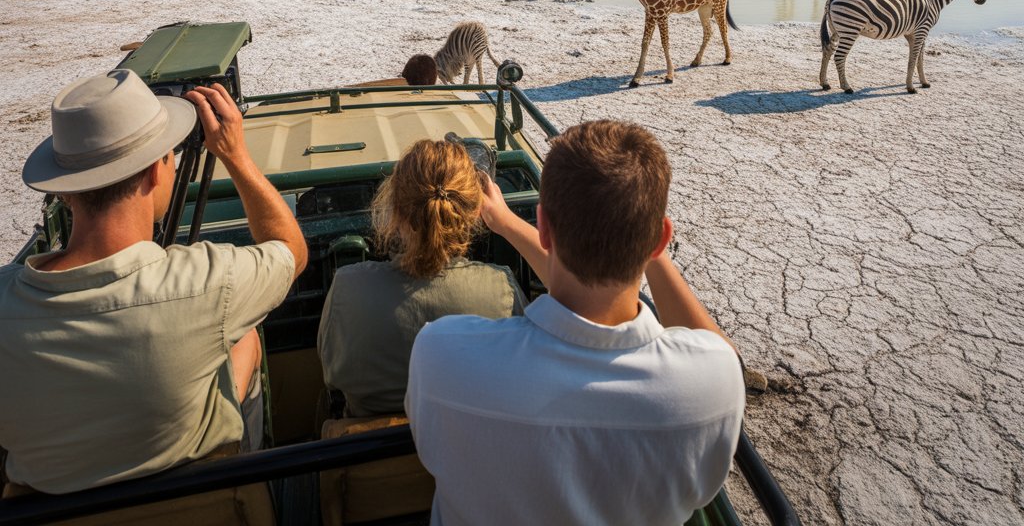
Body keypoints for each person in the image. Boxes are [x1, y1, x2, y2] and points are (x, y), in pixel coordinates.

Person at [405, 119, 745, 526]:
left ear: (543, 227)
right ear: (659, 240)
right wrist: (649, 243)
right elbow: (717, 349)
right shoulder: (712, 382)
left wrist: (507, 221)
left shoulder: (441, 352)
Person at [0, 69, 308, 495]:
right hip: (200, 505)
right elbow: (290, 249)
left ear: (66, 190)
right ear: (154, 173)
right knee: (245, 338)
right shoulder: (208, 283)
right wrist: (236, 155)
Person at [318, 137, 524, 417]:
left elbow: (330, 374)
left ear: (396, 212)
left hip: (369, 453)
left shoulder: (347, 289)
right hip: (472, 452)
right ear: (476, 213)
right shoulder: (501, 289)